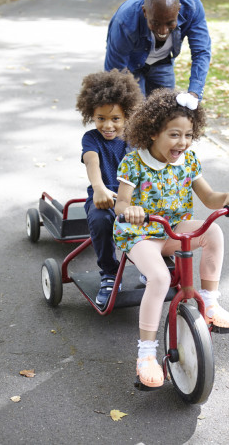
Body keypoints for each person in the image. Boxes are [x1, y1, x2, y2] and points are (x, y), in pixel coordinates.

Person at [114, 89, 229, 389]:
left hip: (173, 227)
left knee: (212, 230)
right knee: (160, 279)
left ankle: (210, 304)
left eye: (188, 135)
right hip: (141, 232)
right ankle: (146, 354)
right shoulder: (133, 164)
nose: (182, 143)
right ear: (152, 133)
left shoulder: (188, 161)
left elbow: (211, 197)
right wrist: (131, 209)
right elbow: (120, 203)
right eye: (174, 135)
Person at [76, 69, 142, 306]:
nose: (108, 125)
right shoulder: (91, 138)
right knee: (101, 220)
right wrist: (99, 187)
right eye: (100, 118)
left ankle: (148, 263)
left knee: (154, 217)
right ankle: (110, 273)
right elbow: (91, 160)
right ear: (91, 115)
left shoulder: (134, 140)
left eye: (115, 119)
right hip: (102, 195)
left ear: (127, 116)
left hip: (133, 197)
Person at [104, 0, 211, 101]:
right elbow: (115, 72)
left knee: (166, 112)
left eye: (170, 23)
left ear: (178, 10)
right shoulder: (124, 21)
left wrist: (194, 94)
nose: (163, 31)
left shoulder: (192, 7)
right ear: (145, 12)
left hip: (162, 63)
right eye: (155, 23)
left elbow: (201, 52)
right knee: (134, 112)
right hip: (130, 67)